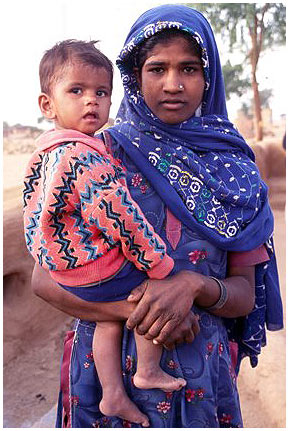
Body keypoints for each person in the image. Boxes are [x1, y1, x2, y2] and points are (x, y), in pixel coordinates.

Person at [31, 5, 283, 428]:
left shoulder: (237, 171)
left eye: (188, 68)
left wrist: (193, 285)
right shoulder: (95, 154)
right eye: (156, 68)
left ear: (209, 78)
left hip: (199, 374)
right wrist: (150, 313)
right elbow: (44, 279)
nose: (173, 84)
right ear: (133, 76)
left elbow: (244, 293)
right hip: (103, 379)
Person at [23, 38, 194, 427]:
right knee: (150, 293)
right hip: (93, 265)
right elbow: (122, 218)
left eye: (101, 92)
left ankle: (112, 395)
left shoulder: (46, 152)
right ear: (47, 104)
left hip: (67, 267)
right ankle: (147, 370)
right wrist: (159, 262)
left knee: (108, 320)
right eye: (77, 91)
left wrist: (54, 255)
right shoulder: (86, 155)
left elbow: (37, 214)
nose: (91, 102)